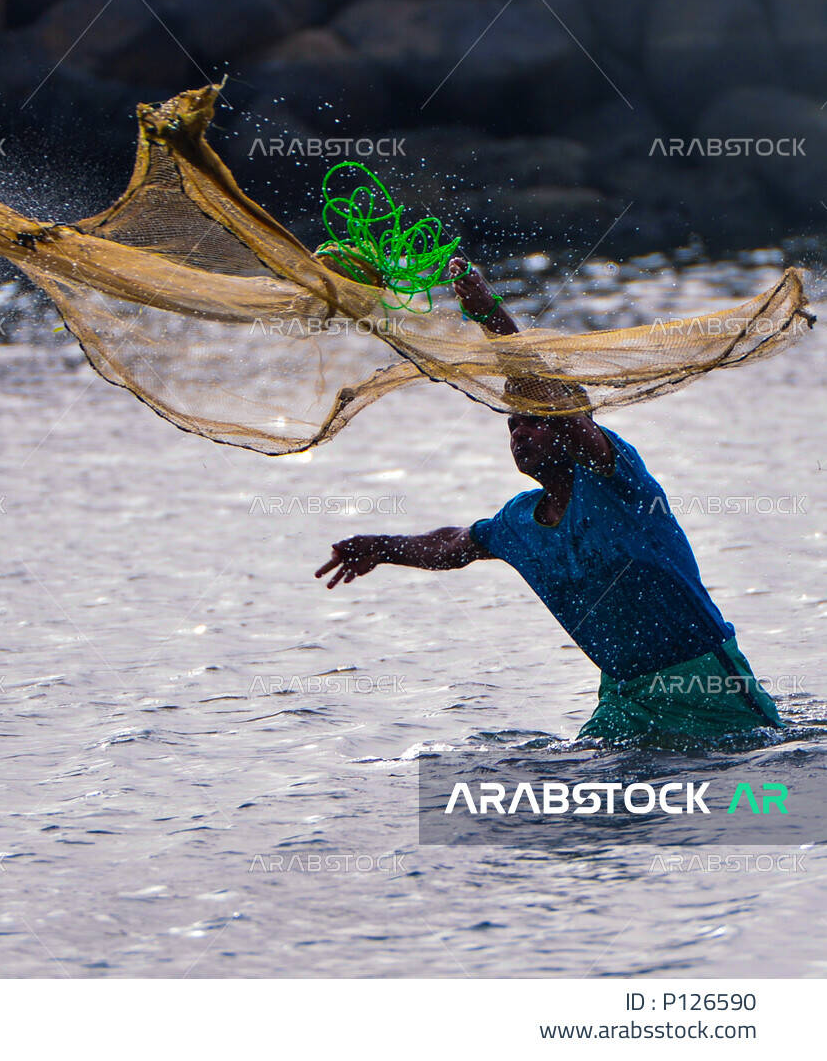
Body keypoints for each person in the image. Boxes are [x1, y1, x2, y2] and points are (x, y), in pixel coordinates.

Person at [313, 261, 784, 745]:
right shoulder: (519, 520)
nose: (520, 433)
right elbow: (455, 545)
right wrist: (381, 546)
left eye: (534, 420)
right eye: (513, 425)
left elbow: (562, 405)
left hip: (710, 688)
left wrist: (494, 320)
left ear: (567, 421)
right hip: (626, 699)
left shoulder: (616, 479)